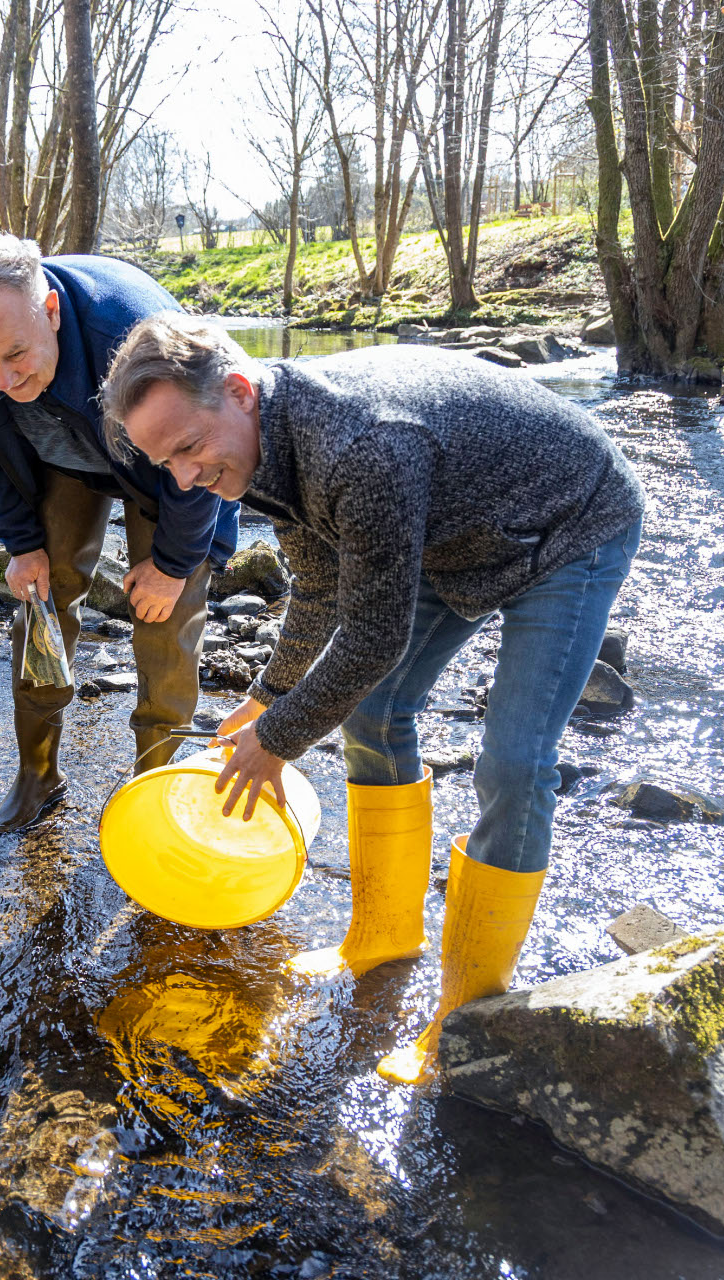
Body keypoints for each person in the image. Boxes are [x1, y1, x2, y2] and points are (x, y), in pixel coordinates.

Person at [101, 316, 646, 1085]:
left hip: (569, 524)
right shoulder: (263, 451)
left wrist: (278, 739)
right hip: (455, 531)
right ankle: (383, 936)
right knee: (374, 714)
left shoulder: (359, 448)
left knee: (515, 763)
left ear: (239, 391)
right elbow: (320, 589)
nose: (185, 479)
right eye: (166, 464)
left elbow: (372, 637)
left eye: (189, 448)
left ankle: (468, 1016)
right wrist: (267, 697)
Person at [0, 234, 239, 834]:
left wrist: (174, 565)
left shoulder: (132, 334)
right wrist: (22, 546)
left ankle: (154, 792)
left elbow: (200, 451)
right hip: (62, 459)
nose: (3, 377)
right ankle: (37, 773)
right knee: (42, 598)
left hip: (165, 465)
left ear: (50, 311)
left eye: (16, 354)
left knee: (167, 614)